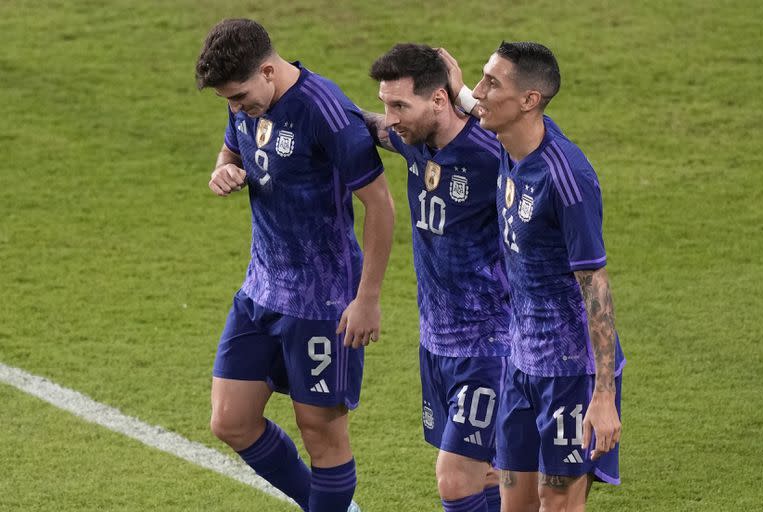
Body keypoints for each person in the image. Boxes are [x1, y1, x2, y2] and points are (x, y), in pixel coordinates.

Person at [195, 19, 395, 512]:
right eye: (228, 101)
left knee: (321, 433)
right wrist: (223, 168)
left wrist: (366, 299)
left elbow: (381, 204)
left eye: (240, 95)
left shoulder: (323, 110)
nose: (236, 107)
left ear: (268, 69)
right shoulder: (245, 100)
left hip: (323, 301)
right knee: (230, 420)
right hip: (260, 290)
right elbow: (233, 144)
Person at [438, 43, 625, 511]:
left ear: (529, 101)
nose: (478, 92)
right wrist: (459, 88)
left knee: (557, 503)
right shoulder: (511, 141)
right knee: (513, 502)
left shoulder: (566, 180)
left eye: (491, 84)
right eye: (481, 78)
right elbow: (477, 108)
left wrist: (603, 394)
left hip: (569, 370)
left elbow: (596, 287)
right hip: (520, 363)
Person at [363, 43, 512, 512]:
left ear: (440, 101)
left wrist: (469, 94)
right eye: (387, 105)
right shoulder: (412, 144)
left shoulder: (490, 155)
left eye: (400, 106)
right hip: (437, 342)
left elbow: (542, 151)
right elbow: (358, 124)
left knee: (454, 479)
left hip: (490, 344)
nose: (390, 118)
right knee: (487, 472)